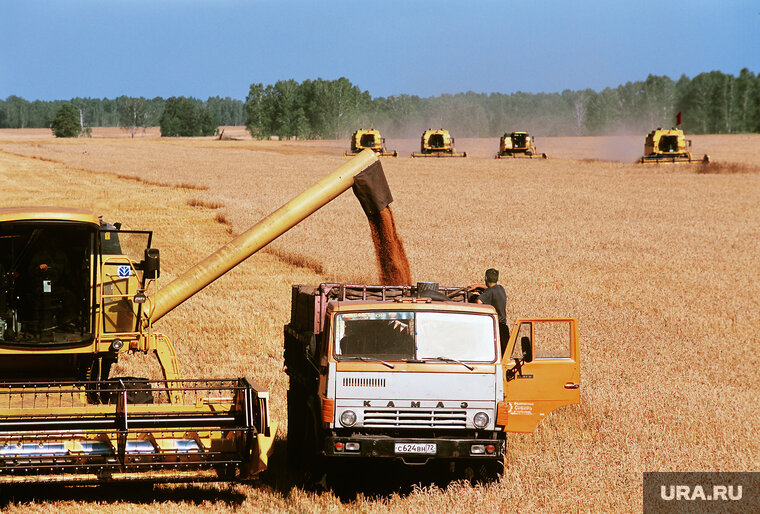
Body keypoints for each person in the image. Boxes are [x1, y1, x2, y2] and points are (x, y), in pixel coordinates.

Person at [475, 268, 509, 356]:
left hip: (495, 328)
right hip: (503, 328)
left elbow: (479, 301)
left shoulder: (489, 292)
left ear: (486, 278)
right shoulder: (500, 288)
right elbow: (490, 288)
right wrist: (478, 286)